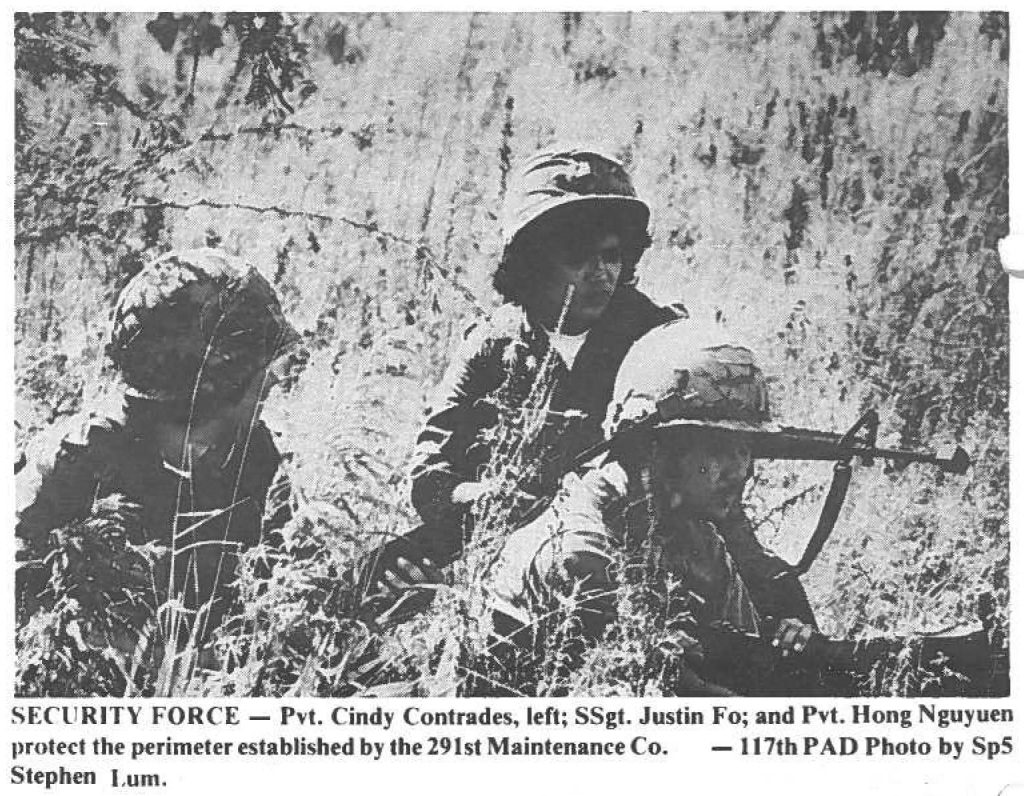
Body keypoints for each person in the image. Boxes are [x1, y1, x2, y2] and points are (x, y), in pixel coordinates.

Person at [485, 319, 1000, 696]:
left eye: (745, 449)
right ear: (656, 450)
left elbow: (749, 652)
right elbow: (665, 687)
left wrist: (798, 644)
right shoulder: (579, 551)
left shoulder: (696, 534)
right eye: (718, 450)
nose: (742, 468)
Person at [368, 146, 685, 609]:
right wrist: (485, 499)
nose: (601, 273)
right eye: (579, 256)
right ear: (534, 261)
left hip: (636, 553)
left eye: (613, 255)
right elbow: (430, 472)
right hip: (506, 551)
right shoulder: (493, 345)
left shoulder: (655, 339)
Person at [16, 248, 300, 689]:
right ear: (214, 380)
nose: (273, 380)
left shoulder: (254, 457)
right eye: (260, 366)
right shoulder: (78, 463)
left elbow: (274, 593)